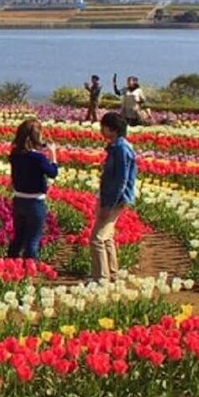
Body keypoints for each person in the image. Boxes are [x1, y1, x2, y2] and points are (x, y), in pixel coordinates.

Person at [91, 111, 138, 281]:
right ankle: (112, 274)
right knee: (107, 237)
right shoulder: (117, 147)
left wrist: (108, 205)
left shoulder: (120, 149)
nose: (101, 130)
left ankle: (100, 279)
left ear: (113, 129)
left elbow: (121, 180)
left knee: (96, 239)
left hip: (115, 199)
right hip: (114, 197)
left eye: (103, 127)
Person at [6, 117, 58, 260]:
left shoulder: (15, 155)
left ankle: (10, 265)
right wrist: (53, 154)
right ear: (37, 137)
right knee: (32, 240)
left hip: (18, 200)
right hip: (35, 203)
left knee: (18, 237)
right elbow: (53, 173)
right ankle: (28, 270)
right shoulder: (38, 158)